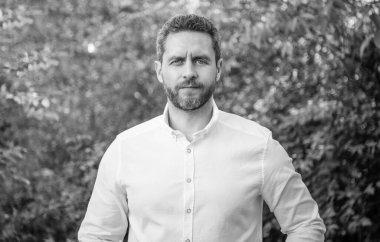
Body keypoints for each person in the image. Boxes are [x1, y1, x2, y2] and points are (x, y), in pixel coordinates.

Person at [78, 14, 326, 242]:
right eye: (176, 61)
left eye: (200, 60)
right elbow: (98, 236)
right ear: (159, 71)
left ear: (218, 69)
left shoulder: (259, 145)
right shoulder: (125, 149)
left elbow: (305, 225)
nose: (189, 72)